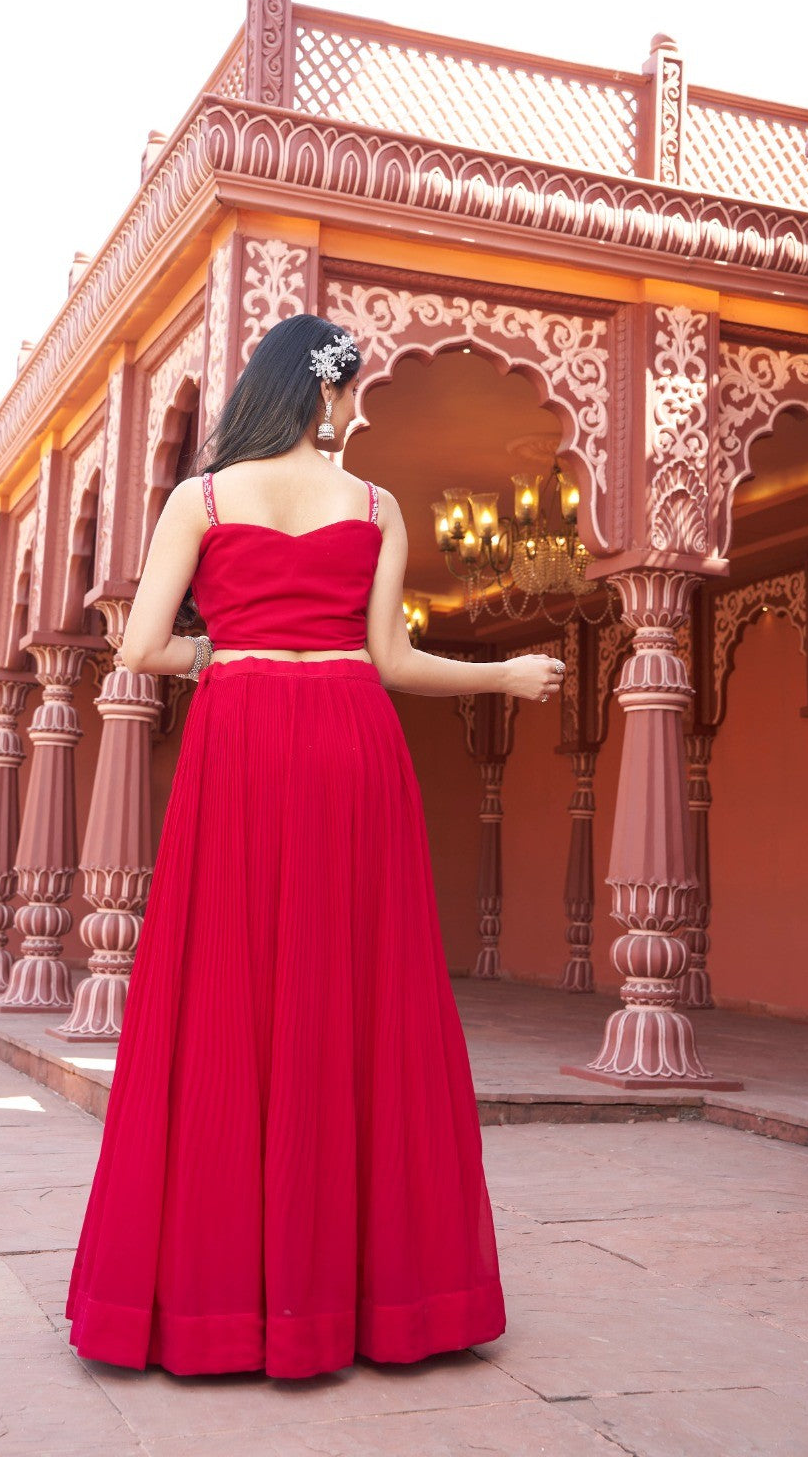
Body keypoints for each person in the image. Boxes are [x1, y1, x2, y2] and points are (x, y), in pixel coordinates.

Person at [65, 313, 566, 1379]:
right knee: (358, 998)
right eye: (347, 395)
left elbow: (141, 646)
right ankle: (380, 1300)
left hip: (241, 739)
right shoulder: (374, 503)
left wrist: (226, 648)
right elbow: (389, 658)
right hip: (349, 743)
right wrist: (500, 677)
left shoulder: (197, 500)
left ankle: (215, 1303)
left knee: (226, 996)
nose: (349, 413)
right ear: (323, 395)